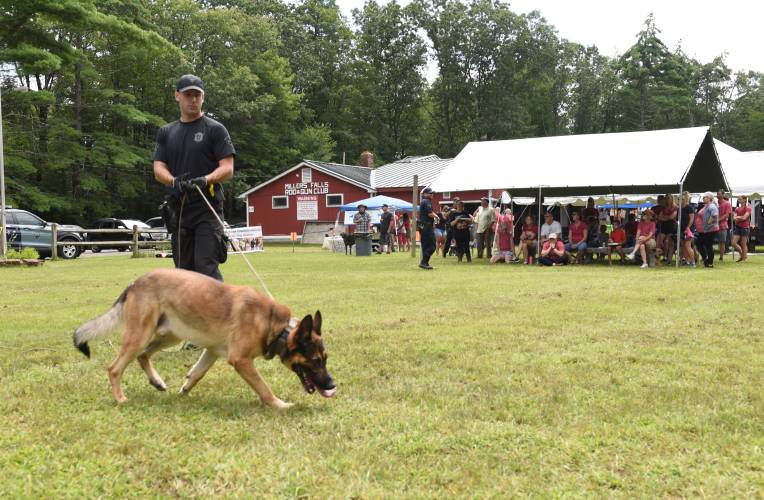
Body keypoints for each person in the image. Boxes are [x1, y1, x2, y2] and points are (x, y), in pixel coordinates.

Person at [153, 74, 235, 281]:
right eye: (188, 94)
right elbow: (158, 168)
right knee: (183, 275)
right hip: (178, 210)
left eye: (197, 95)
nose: (193, 99)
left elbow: (227, 168)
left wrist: (206, 179)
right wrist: (173, 181)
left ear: (203, 97)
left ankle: (218, 313)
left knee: (206, 269)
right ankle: (188, 315)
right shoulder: (166, 132)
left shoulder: (215, 129)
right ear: (177, 96)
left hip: (207, 209)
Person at [418, 187, 438, 270]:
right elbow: (430, 214)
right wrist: (437, 217)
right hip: (426, 225)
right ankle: (423, 262)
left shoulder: (423, 201)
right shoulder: (427, 201)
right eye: (430, 193)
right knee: (433, 245)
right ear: (425, 194)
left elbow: (430, 212)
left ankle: (425, 263)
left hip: (422, 225)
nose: (432, 194)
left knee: (425, 245)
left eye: (432, 193)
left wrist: (434, 215)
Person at [699, 192, 719, 268]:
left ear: (710, 198)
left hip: (711, 229)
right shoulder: (706, 206)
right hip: (707, 230)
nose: (703, 198)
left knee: (708, 246)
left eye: (705, 197)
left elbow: (714, 216)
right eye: (703, 197)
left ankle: (710, 263)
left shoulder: (712, 206)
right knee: (703, 244)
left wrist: (708, 223)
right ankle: (707, 260)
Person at [657, 194, 678, 264]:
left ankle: (668, 259)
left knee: (669, 243)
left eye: (668, 198)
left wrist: (664, 217)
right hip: (664, 226)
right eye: (666, 198)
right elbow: (659, 217)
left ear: (672, 198)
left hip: (672, 226)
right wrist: (666, 218)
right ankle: (659, 258)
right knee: (659, 240)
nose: (667, 199)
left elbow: (672, 217)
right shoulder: (664, 207)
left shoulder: (675, 207)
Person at [732, 194, 752, 262]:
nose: (738, 200)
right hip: (738, 227)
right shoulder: (737, 208)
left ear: (744, 200)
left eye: (740, 199)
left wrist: (737, 217)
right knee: (733, 243)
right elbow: (734, 218)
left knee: (743, 243)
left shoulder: (748, 208)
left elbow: (744, 218)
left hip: (745, 227)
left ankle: (744, 258)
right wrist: (738, 217)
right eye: (738, 199)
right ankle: (742, 255)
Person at [679, 191, 696, 267]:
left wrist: (688, 227)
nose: (681, 200)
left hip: (688, 230)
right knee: (683, 246)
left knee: (687, 245)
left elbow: (692, 219)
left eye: (682, 198)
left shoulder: (689, 208)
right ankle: (687, 261)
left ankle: (693, 262)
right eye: (680, 199)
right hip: (681, 229)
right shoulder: (679, 208)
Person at [717, 190, 732, 261]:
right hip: (713, 225)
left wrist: (718, 220)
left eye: (719, 194)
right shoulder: (714, 203)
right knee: (709, 240)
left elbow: (727, 215)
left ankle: (721, 256)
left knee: (722, 241)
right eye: (717, 194)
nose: (718, 195)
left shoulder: (727, 203)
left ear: (723, 195)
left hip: (722, 225)